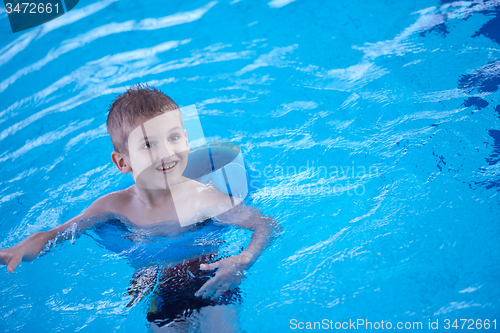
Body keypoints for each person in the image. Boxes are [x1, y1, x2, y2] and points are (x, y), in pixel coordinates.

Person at [0, 84, 278, 332]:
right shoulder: (114, 205)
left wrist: (243, 260)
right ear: (122, 162)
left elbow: (265, 225)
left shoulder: (201, 198)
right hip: (162, 289)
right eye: (148, 144)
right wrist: (20, 249)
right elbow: (58, 233)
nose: (166, 153)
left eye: (173, 138)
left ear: (186, 138)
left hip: (210, 281)